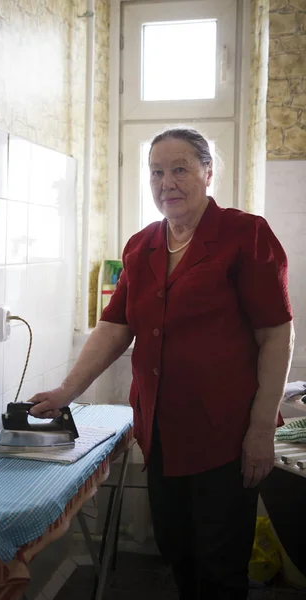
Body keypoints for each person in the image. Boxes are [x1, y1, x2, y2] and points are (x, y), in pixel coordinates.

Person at [29, 127, 294, 599]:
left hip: (227, 434)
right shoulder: (142, 245)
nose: (166, 182)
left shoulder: (245, 235)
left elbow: (276, 334)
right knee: (177, 549)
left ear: (207, 173)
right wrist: (65, 392)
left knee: (220, 562)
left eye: (180, 169)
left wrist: (261, 429)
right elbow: (115, 327)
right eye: (156, 172)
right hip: (162, 432)